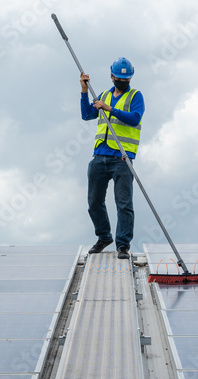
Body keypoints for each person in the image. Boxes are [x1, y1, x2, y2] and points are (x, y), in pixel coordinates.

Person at [80, 56, 144, 260]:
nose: (123, 83)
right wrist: (83, 92)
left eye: (126, 80)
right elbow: (87, 115)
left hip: (122, 158)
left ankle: (123, 245)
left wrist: (110, 110)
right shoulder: (104, 95)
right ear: (112, 76)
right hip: (100, 155)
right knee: (94, 201)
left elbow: (134, 119)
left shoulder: (136, 96)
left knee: (124, 203)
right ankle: (104, 236)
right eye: (119, 79)